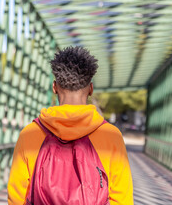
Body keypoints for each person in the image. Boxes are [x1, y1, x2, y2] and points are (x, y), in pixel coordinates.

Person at [7, 46, 133, 204]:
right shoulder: (111, 135)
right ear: (91, 89)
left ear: (54, 87)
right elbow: (122, 199)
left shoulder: (30, 134)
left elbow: (16, 197)